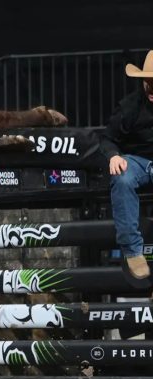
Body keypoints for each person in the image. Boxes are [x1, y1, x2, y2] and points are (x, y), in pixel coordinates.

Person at [102, 49, 153, 279]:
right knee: (122, 178)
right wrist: (113, 155)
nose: (151, 89)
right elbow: (107, 139)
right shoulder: (130, 107)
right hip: (137, 161)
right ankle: (133, 251)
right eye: (148, 83)